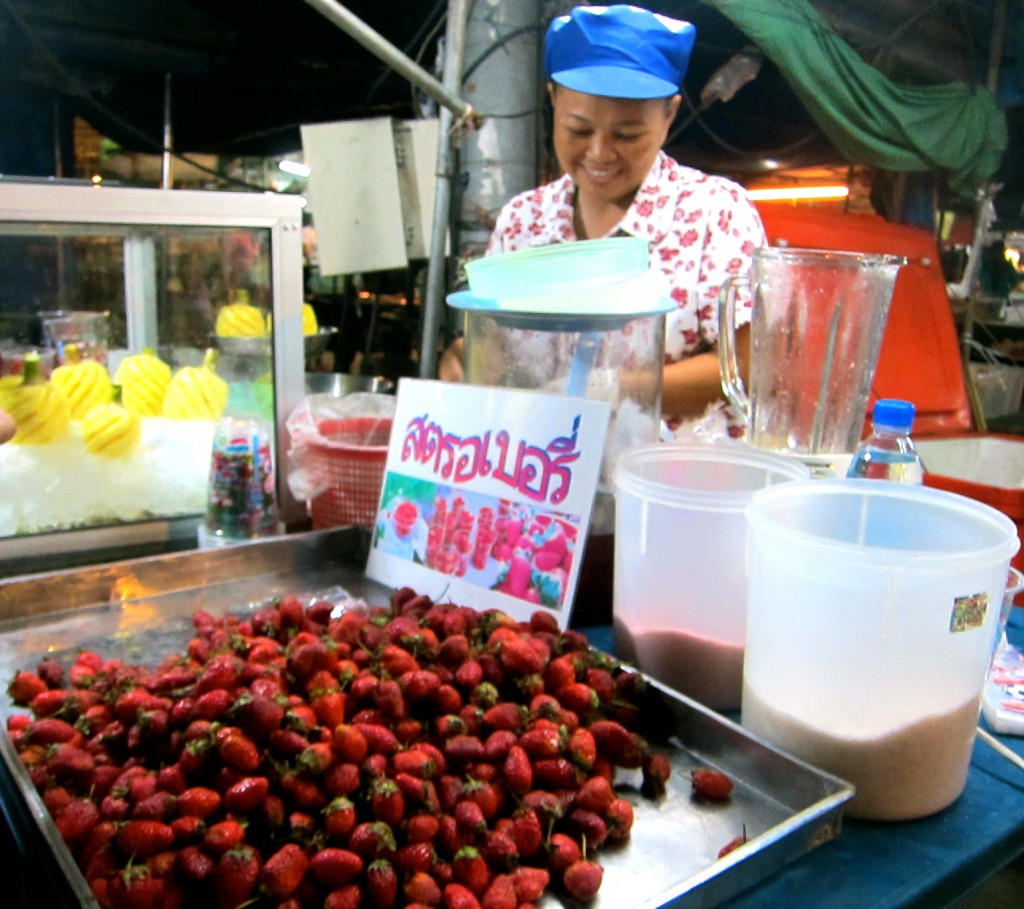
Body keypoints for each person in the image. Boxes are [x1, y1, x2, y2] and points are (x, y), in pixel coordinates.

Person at [439, 4, 766, 432]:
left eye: (627, 135)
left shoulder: (716, 214)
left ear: (668, 114)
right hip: (544, 474)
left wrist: (613, 389)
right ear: (552, 99)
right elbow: (502, 352)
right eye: (578, 130)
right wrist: (466, 357)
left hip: (668, 483)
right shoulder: (523, 221)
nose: (599, 154)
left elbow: (748, 368)